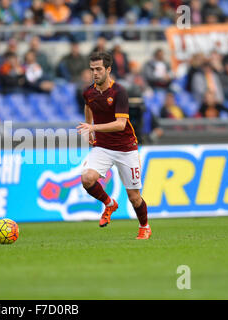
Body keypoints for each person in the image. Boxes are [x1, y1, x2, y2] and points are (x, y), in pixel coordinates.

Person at [76, 51, 151, 240]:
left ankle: (144, 226)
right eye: (92, 69)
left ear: (108, 69)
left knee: (134, 197)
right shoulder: (88, 92)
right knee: (87, 179)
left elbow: (120, 124)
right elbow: (88, 106)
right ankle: (109, 204)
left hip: (126, 148)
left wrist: (92, 126)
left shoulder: (120, 92)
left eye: (99, 69)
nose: (95, 73)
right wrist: (90, 131)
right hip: (102, 147)